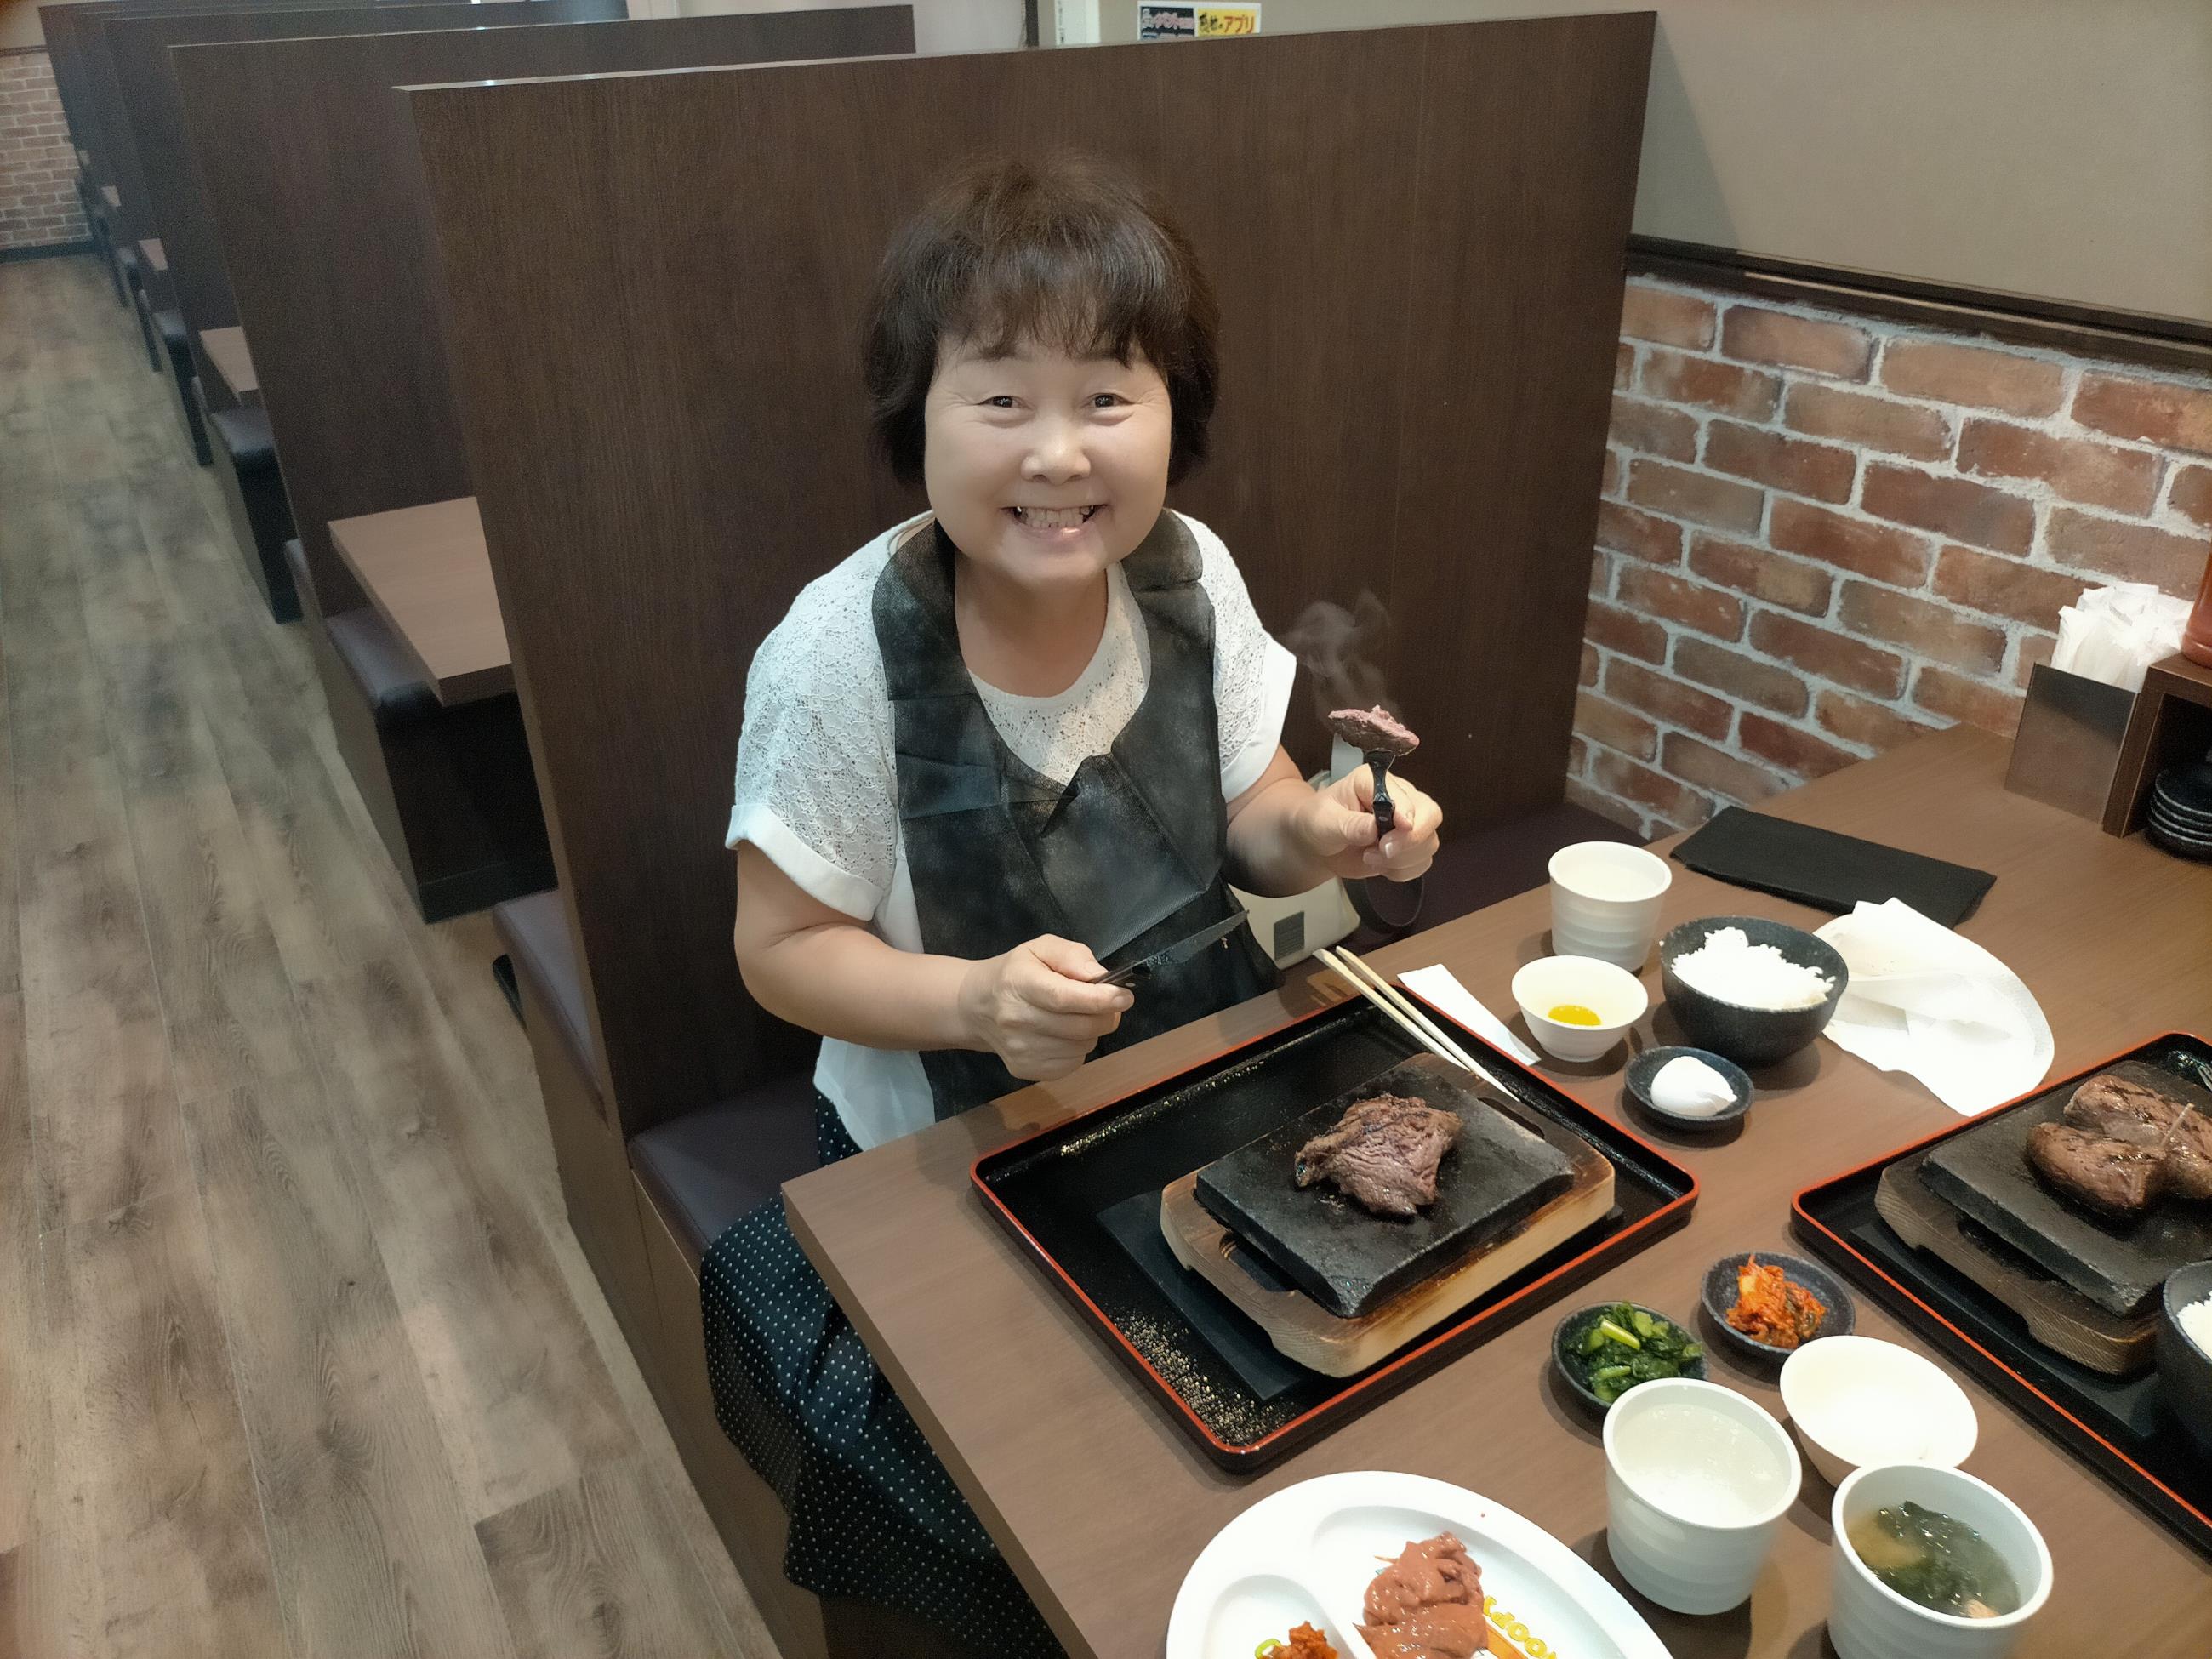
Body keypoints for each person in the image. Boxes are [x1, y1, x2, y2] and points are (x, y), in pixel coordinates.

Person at [710, 152, 1441, 1656]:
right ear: (917, 416)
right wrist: (975, 1001)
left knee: (1319, 1411)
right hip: (945, 1149)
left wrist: (1325, 832)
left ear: (1176, 410)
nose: (1058, 452)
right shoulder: (837, 655)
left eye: (1108, 394)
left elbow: (1253, 821)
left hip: (1196, 1096)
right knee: (1057, 1520)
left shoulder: (1189, 573)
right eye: (1001, 397)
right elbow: (777, 951)